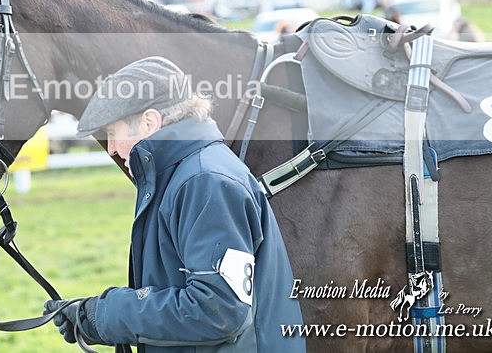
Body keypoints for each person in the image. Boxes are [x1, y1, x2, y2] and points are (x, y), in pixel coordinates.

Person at [44, 57, 304, 352]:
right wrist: (92, 315)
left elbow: (218, 311)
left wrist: (105, 314)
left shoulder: (205, 182)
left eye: (112, 133)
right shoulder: (188, 176)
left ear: (150, 122)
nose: (112, 148)